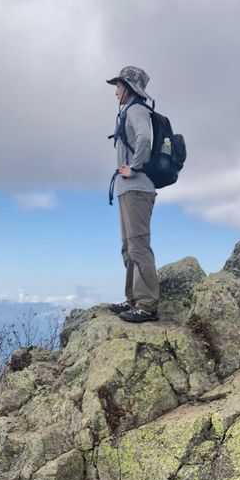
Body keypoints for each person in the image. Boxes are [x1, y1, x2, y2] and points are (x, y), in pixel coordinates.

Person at [106, 65, 160, 323]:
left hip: (138, 189)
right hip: (129, 191)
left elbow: (144, 139)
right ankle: (133, 299)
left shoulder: (137, 110)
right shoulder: (128, 111)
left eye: (118, 86)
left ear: (128, 87)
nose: (115, 91)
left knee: (138, 246)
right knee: (128, 247)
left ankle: (147, 305)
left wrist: (135, 167)